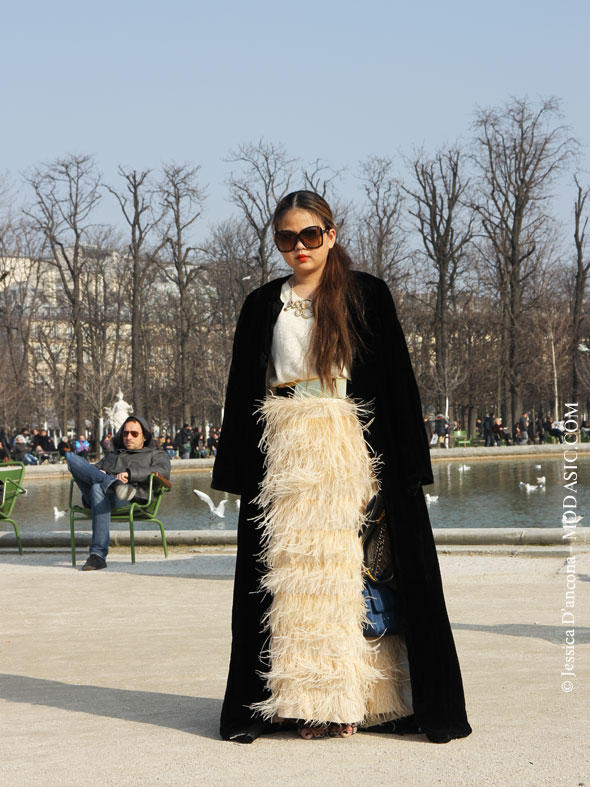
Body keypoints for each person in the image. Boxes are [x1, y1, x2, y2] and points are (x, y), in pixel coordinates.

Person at [212, 190, 471, 744]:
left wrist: (394, 469)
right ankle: (301, 701)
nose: (299, 247)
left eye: (310, 234)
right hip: (284, 452)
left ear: (331, 234)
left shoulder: (365, 294)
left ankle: (363, 699)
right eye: (286, 237)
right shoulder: (262, 304)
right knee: (295, 582)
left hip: (350, 447)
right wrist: (239, 470)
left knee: (353, 576)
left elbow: (397, 381)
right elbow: (242, 392)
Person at [66, 415, 171, 571]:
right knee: (71, 458)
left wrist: (129, 474)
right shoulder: (112, 454)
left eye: (134, 433)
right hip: (101, 495)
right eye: (125, 433)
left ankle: (98, 556)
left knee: (97, 488)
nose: (128, 437)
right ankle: (114, 485)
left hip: (131, 498)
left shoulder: (156, 455)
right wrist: (99, 472)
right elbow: (92, 469)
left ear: (144, 437)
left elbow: (163, 471)